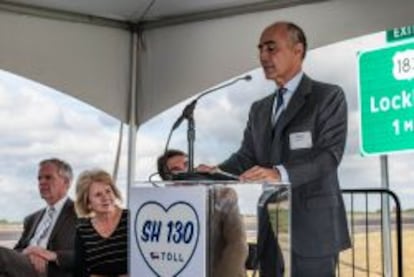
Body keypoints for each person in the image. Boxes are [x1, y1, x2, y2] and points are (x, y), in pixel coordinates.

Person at [201, 21, 351, 276]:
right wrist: (213, 172)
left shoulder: (327, 97)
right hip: (270, 228)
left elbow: (329, 156)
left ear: (298, 50)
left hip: (314, 229)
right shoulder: (259, 109)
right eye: (260, 50)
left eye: (271, 49)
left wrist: (279, 173)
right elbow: (246, 156)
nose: (263, 56)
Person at [157, 149, 248, 277]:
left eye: (187, 165)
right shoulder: (158, 207)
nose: (185, 172)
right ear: (167, 180)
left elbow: (237, 245)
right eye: (177, 170)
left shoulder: (223, 195)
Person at [0, 158, 77, 277]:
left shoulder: (80, 213)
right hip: (23, 266)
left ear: (66, 182)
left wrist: (51, 255)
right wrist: (29, 253)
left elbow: (89, 254)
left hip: (53, 271)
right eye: (39, 178)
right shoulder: (31, 219)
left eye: (48, 177)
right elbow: (17, 250)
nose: (42, 182)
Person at [73, 169, 127, 277]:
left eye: (108, 191)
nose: (105, 197)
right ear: (88, 203)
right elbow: (79, 272)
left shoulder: (131, 219)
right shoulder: (83, 231)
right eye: (98, 195)